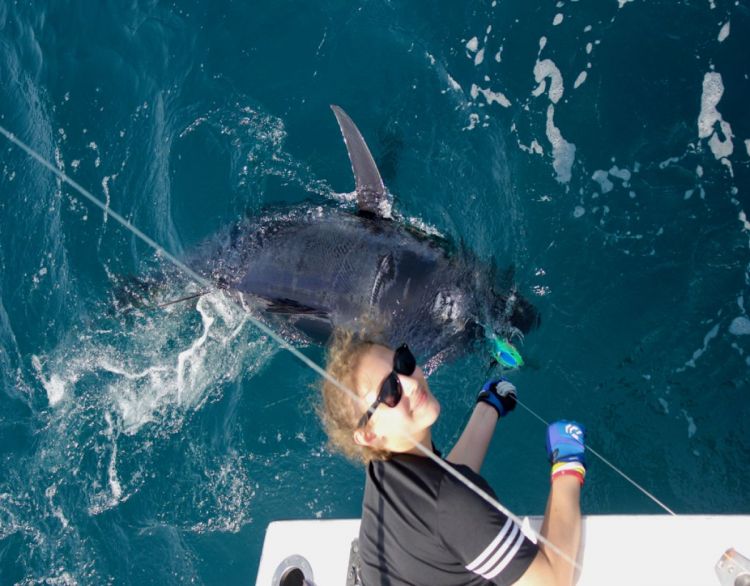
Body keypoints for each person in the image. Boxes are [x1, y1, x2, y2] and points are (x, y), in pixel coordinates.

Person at [319, 328, 585, 586]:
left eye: (403, 363)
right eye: (390, 392)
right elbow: (554, 580)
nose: (411, 383)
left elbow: (449, 481)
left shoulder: (382, 467)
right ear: (368, 434)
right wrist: (567, 467)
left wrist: (488, 407)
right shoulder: (449, 503)